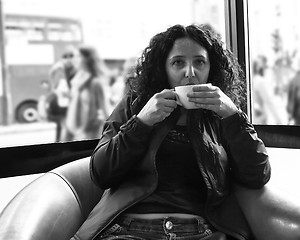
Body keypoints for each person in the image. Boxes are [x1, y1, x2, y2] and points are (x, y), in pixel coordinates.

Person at [71, 24, 271, 240]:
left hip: (198, 231)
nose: (190, 73)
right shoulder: (135, 105)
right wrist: (142, 122)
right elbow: (101, 173)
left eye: (199, 62)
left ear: (211, 68)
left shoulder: (221, 115)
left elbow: (257, 175)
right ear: (163, 68)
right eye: (178, 63)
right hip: (129, 230)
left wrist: (233, 116)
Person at [64, 45, 110, 141]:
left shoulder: (96, 82)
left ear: (87, 59)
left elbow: (105, 110)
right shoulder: (76, 80)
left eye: (78, 56)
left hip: (90, 132)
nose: (74, 59)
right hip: (74, 132)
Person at [48, 46, 77, 141]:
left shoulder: (66, 68)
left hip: (63, 103)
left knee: (62, 128)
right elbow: (62, 88)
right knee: (64, 127)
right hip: (62, 103)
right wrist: (73, 96)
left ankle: (59, 147)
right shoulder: (59, 69)